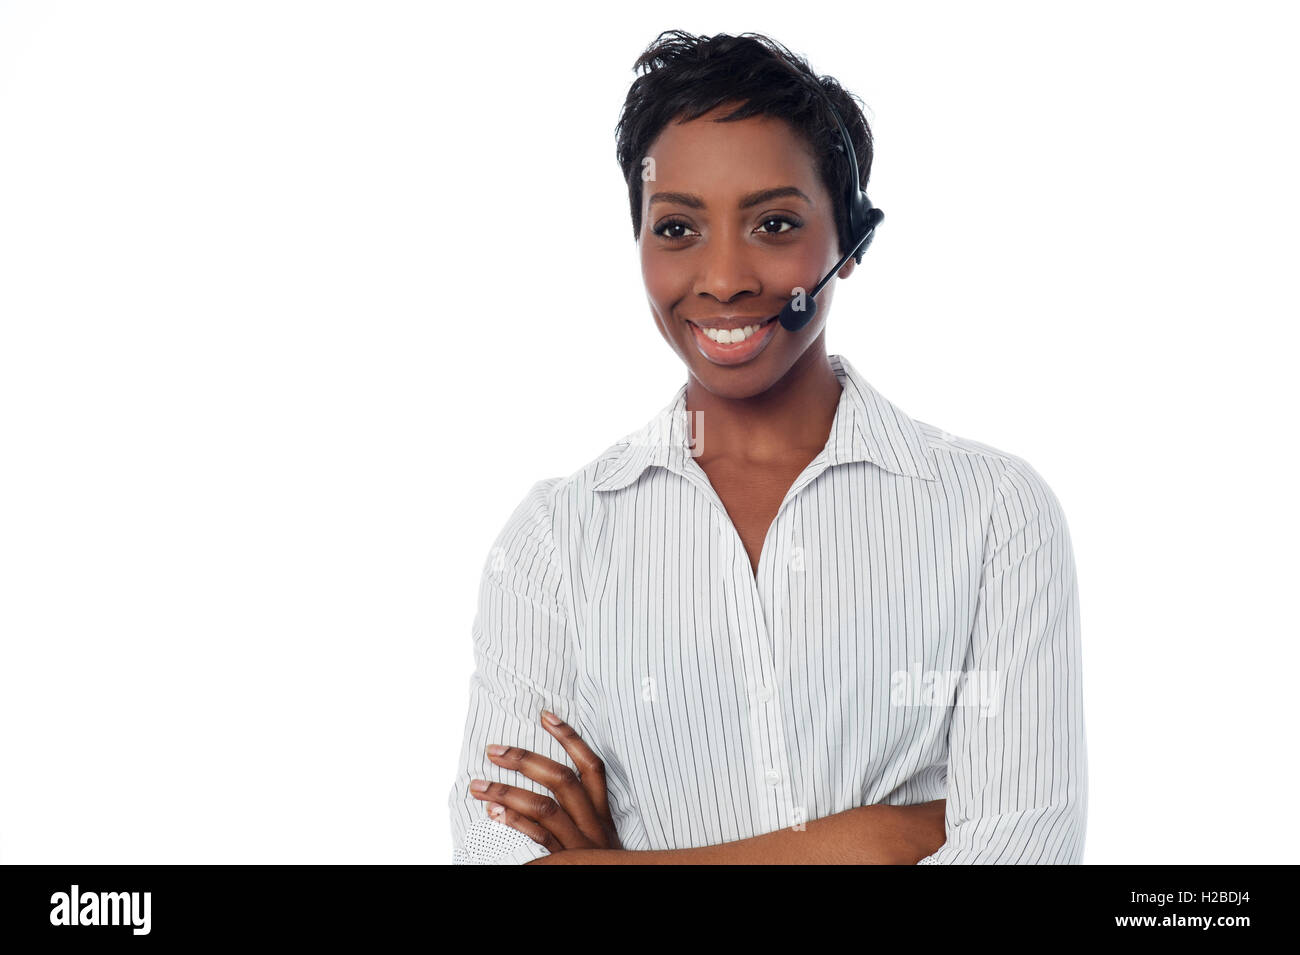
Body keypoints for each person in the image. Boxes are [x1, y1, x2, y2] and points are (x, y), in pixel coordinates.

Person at [448, 30, 1086, 864]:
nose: (722, 277)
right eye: (677, 228)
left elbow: (1023, 851)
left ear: (849, 241)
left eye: (774, 223)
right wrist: (877, 839)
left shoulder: (996, 514)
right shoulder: (554, 541)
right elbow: (495, 854)